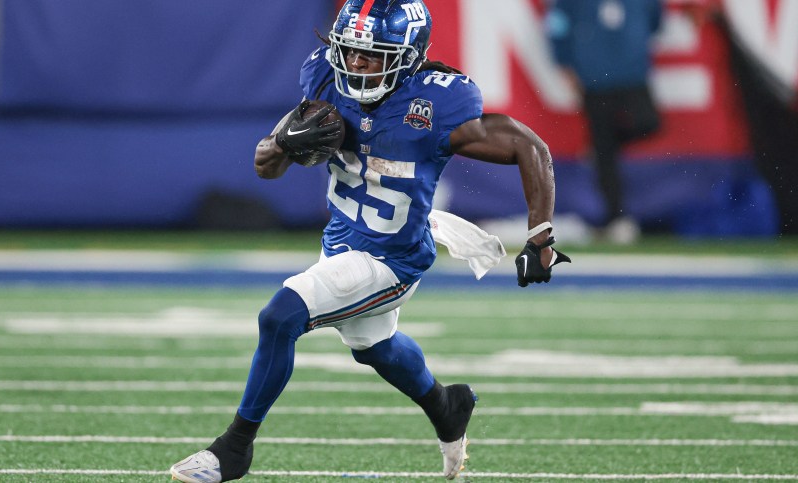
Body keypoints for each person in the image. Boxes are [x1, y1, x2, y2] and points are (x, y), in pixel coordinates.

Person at [170, 1, 569, 481]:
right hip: (340, 241)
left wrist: (540, 236)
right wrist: (284, 144)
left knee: (280, 316)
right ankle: (447, 405)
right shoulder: (323, 79)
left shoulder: (436, 103)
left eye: (372, 54)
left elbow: (530, 146)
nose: (356, 64)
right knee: (374, 345)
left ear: (407, 55)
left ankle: (234, 448)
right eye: (351, 50)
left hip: (393, 258)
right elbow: (265, 165)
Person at [546, 0, 663, 244]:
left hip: (632, 72)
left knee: (647, 124)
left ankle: (602, 150)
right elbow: (558, 25)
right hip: (594, 77)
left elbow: (655, 19)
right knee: (605, 152)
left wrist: (634, 41)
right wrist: (564, 62)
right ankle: (616, 218)